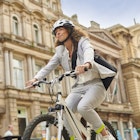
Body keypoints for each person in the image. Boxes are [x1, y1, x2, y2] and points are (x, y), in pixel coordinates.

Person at [26, 19, 116, 140]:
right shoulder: (61, 52)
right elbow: (49, 66)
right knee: (65, 113)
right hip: (78, 88)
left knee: (83, 107)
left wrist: (87, 64)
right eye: (56, 32)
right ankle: (74, 138)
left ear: (69, 30)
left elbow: (89, 51)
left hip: (95, 85)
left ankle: (106, 136)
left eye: (60, 29)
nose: (57, 33)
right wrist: (35, 79)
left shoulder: (82, 42)